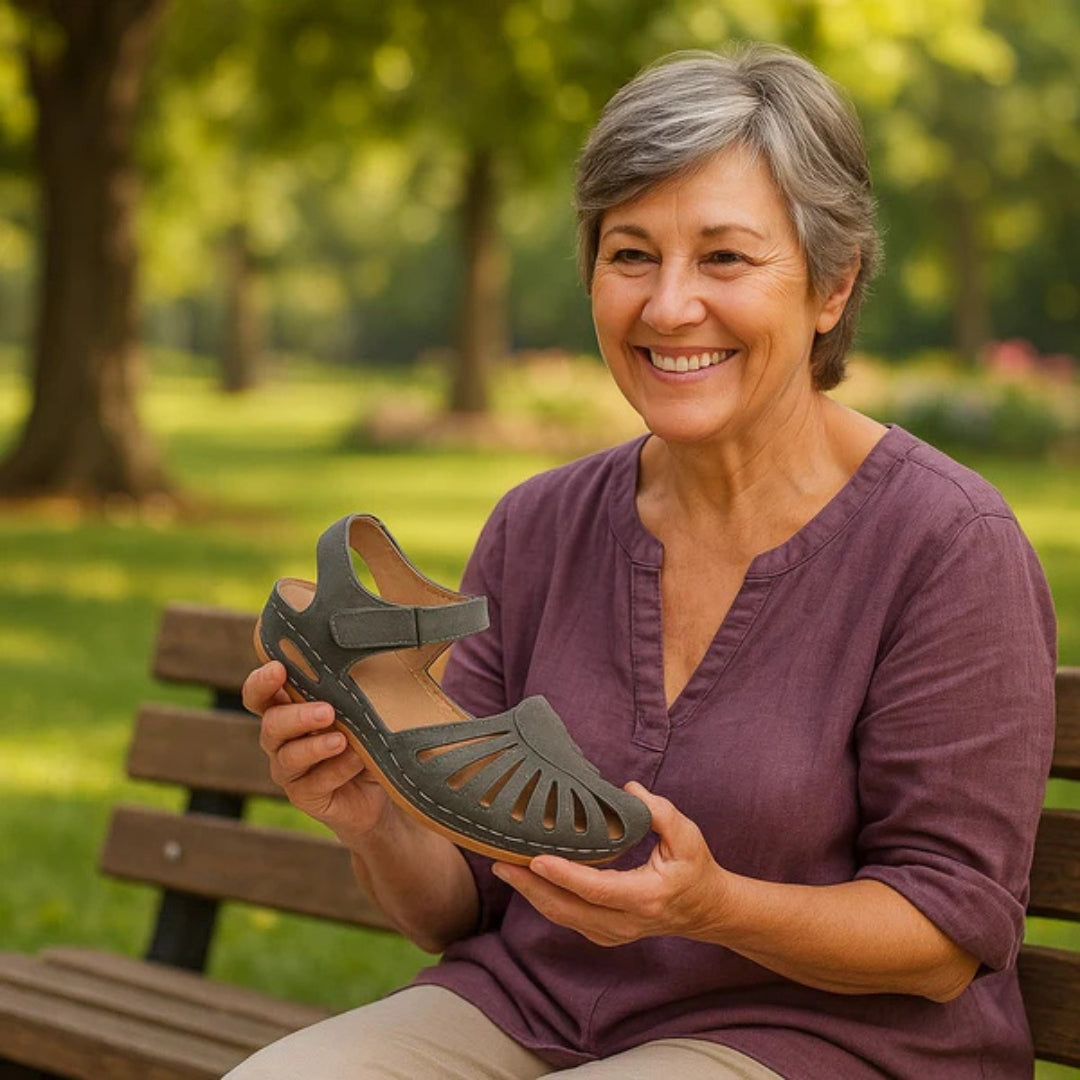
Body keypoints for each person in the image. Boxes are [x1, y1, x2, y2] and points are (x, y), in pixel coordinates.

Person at [230, 42, 1056, 1080]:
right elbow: (463, 903)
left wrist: (715, 909)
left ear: (832, 285)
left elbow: (945, 941)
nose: (668, 307)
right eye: (630, 255)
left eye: (724, 257)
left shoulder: (945, 548)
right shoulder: (541, 524)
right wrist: (372, 822)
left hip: (821, 1041)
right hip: (528, 1011)